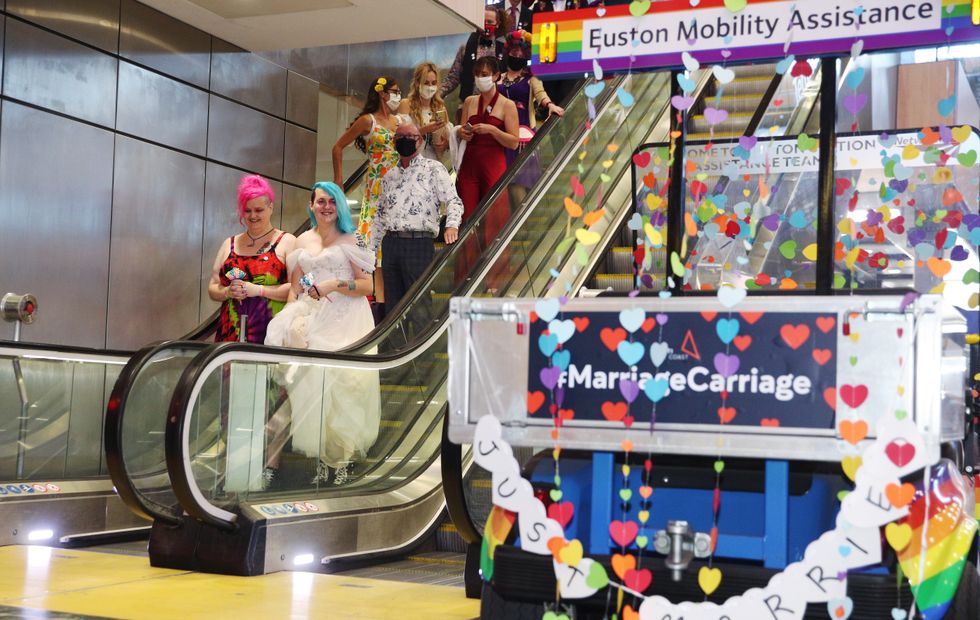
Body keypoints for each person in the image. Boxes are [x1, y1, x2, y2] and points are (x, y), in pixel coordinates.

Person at [265, 182, 380, 486]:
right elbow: (295, 288)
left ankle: (341, 459)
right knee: (314, 389)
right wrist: (291, 317)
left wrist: (333, 285)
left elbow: (368, 285)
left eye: (331, 201)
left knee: (346, 389)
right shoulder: (303, 240)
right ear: (311, 205)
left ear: (339, 205)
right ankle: (321, 459)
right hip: (316, 318)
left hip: (348, 319)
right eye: (320, 201)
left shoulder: (354, 238)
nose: (326, 207)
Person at [370, 121, 463, 313]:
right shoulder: (389, 176)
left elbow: (453, 201)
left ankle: (421, 334)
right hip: (391, 243)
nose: (404, 140)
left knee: (420, 305)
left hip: (419, 243)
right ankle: (394, 335)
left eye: (410, 137)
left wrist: (452, 225)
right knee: (392, 306)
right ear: (394, 142)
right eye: (400, 137)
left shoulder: (434, 169)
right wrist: (370, 249)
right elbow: (379, 216)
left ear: (420, 141)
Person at [454, 57, 520, 290]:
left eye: (485, 74)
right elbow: (461, 131)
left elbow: (514, 142)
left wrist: (492, 130)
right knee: (467, 218)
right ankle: (465, 280)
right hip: (470, 164)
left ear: (496, 76)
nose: (481, 78)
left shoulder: (507, 105)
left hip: (494, 163)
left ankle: (495, 281)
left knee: (494, 219)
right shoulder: (470, 102)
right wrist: (463, 133)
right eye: (478, 74)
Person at [208, 175, 295, 343]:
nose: (253, 216)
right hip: (230, 335)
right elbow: (213, 287)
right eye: (247, 211)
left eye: (259, 210)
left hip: (271, 336)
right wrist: (227, 292)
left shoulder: (287, 241)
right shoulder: (229, 243)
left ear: (271, 207)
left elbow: (297, 289)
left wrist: (260, 290)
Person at [498, 30, 564, 207]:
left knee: (520, 181)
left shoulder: (531, 79)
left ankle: (521, 219)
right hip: (503, 136)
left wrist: (549, 105)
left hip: (524, 136)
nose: (517, 56)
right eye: (514, 53)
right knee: (508, 183)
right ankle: (516, 219)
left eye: (521, 54)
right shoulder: (498, 78)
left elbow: (540, 94)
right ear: (508, 52)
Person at [441, 7, 508, 115]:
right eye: (483, 22)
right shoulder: (466, 47)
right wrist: (436, 94)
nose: (486, 25)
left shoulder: (504, 49)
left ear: (497, 24)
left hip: (496, 109)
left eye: (490, 22)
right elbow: (453, 77)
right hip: (468, 106)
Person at [399, 62, 450, 163]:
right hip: (412, 161)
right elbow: (401, 138)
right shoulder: (406, 104)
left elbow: (447, 139)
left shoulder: (440, 107)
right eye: (426, 83)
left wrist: (445, 144)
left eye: (433, 83)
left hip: (434, 163)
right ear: (417, 83)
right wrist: (424, 130)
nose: (430, 87)